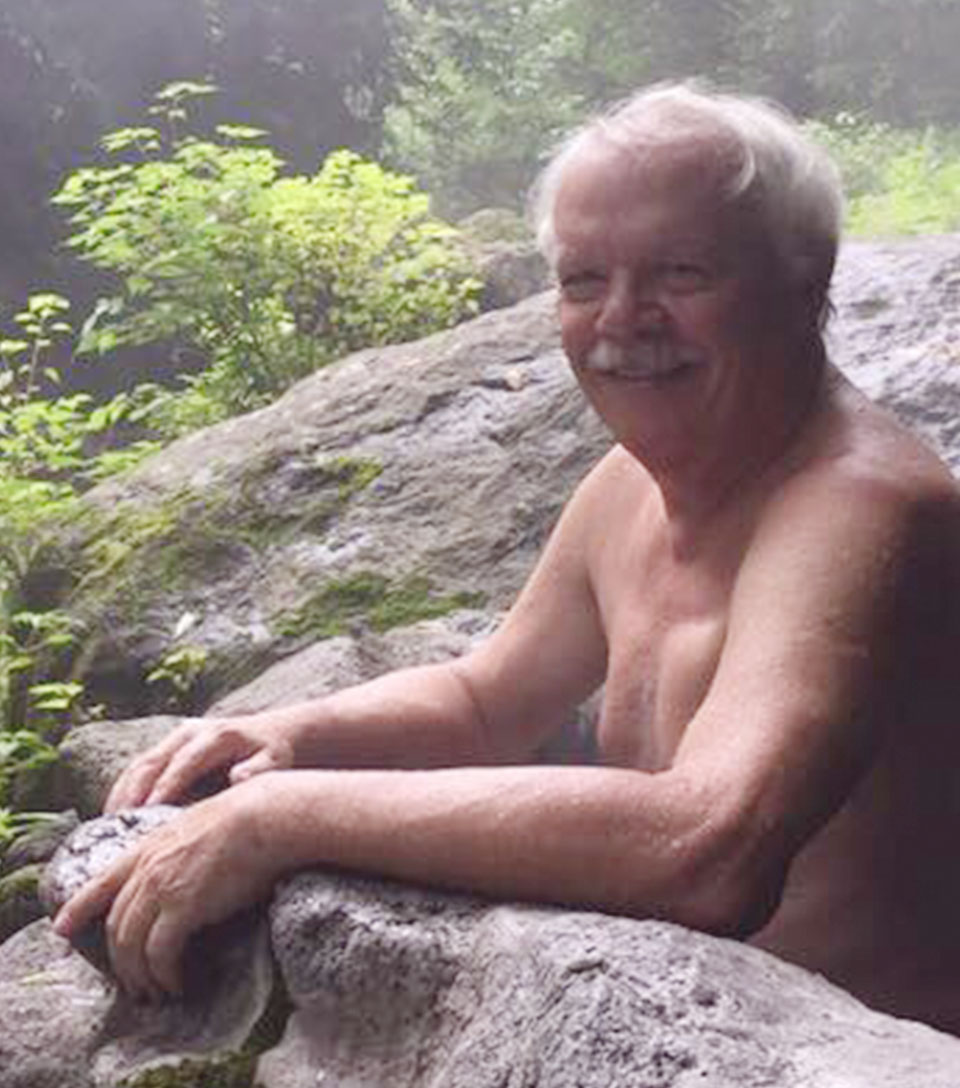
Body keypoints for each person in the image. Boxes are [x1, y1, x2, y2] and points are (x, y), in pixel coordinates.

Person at [52, 83, 960, 1034]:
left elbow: (705, 851)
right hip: (667, 1023)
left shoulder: (862, 508)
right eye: (582, 281)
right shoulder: (630, 485)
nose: (623, 319)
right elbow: (488, 701)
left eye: (683, 274)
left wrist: (282, 817)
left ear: (804, 279)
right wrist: (292, 736)